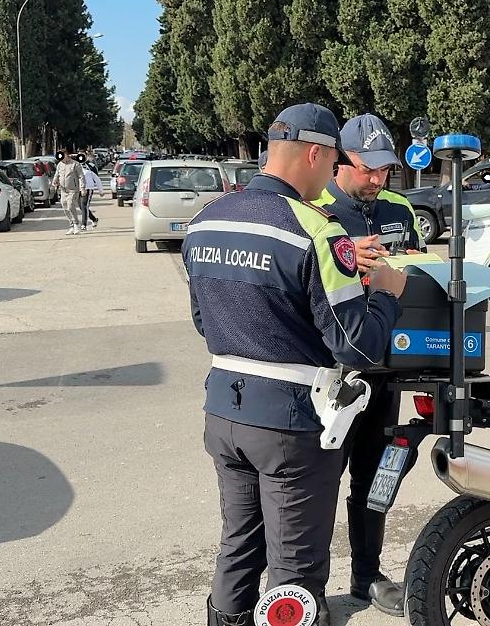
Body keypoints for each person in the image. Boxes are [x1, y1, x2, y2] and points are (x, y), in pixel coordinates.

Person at [184, 102, 408, 626]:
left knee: (238, 546)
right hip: (292, 424)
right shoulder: (316, 232)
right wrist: (388, 295)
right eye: (333, 164)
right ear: (316, 153)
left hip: (224, 409)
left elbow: (202, 320)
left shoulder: (206, 220)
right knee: (295, 574)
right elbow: (357, 344)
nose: (332, 176)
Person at [314, 114, 423, 617]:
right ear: (340, 161)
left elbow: (417, 264)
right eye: (367, 169)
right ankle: (304, 585)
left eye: (386, 170)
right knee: (316, 484)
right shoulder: (314, 208)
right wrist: (341, 257)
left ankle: (367, 576)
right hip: (333, 372)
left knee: (374, 480)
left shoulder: (399, 207)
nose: (377, 180)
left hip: (387, 369)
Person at [52, 147, 85, 235]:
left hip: (73, 189)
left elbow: (81, 176)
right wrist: (54, 182)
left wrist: (82, 188)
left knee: (70, 206)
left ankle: (76, 224)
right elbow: (57, 175)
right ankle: (71, 225)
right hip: (63, 190)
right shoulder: (60, 165)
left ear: (66, 155)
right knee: (65, 206)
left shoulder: (75, 164)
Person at [81, 160, 102, 231]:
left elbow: (97, 179)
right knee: (82, 207)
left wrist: (100, 191)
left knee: (84, 206)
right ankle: (94, 219)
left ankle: (84, 224)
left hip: (88, 188)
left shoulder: (90, 168)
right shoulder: (75, 168)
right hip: (79, 189)